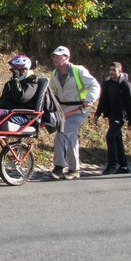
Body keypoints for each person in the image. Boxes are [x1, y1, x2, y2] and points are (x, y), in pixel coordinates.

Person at [49, 46, 100, 180]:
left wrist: (89, 100)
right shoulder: (54, 74)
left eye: (58, 56)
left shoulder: (79, 70)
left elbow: (94, 85)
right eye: (54, 56)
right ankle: (74, 169)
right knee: (71, 138)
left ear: (66, 58)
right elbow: (52, 92)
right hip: (64, 111)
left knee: (62, 133)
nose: (55, 59)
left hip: (79, 110)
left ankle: (59, 167)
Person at [94, 62, 131, 175]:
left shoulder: (125, 84)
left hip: (121, 116)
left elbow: (130, 103)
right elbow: (102, 99)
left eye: (114, 70)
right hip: (111, 115)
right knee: (117, 140)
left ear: (119, 71)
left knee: (110, 136)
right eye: (110, 70)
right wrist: (97, 113)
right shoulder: (107, 83)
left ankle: (112, 165)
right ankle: (124, 166)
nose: (111, 72)